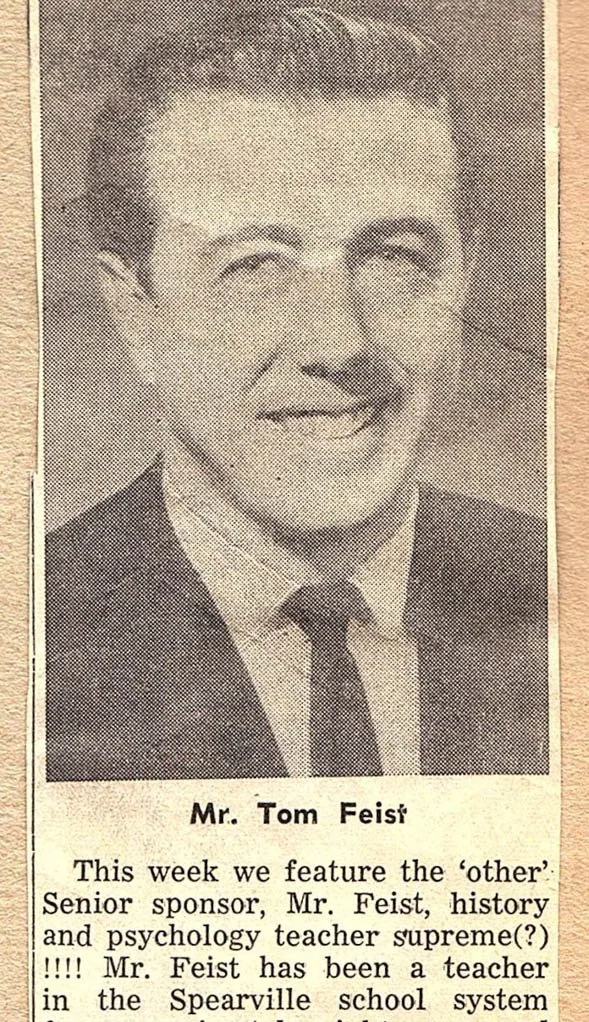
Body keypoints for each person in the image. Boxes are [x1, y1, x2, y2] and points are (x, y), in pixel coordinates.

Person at [45, 6, 549, 781]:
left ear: (465, 273)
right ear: (134, 308)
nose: (337, 342)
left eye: (391, 254)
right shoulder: (37, 630)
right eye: (254, 265)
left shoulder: (554, 589)